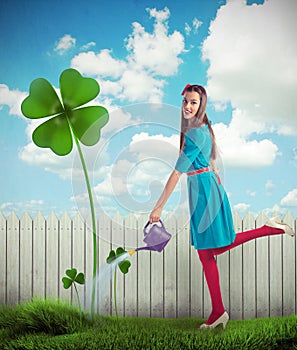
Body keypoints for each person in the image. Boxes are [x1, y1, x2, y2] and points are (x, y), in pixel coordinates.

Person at [149, 84, 295, 329]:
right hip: (205, 188)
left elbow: (176, 173)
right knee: (207, 253)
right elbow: (210, 159)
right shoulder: (204, 126)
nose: (187, 106)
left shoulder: (195, 132)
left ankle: (271, 230)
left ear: (201, 104)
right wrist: (212, 174)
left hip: (204, 192)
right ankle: (218, 311)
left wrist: (158, 207)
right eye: (185, 101)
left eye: (193, 102)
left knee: (212, 249)